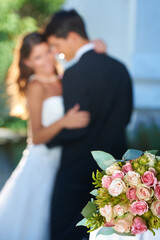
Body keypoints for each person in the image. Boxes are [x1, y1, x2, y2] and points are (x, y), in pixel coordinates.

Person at [0, 32, 106, 240]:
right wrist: (64, 122)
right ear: (29, 62)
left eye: (48, 52)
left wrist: (96, 47)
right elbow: (36, 136)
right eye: (38, 57)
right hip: (41, 164)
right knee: (36, 220)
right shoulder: (36, 85)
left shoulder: (64, 77)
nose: (47, 59)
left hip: (64, 161)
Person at [44, 9, 133, 240]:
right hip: (113, 173)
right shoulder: (120, 68)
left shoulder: (75, 73)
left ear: (72, 37)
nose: (56, 52)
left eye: (56, 44)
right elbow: (125, 118)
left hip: (75, 173)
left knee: (64, 232)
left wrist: (48, 137)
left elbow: (78, 127)